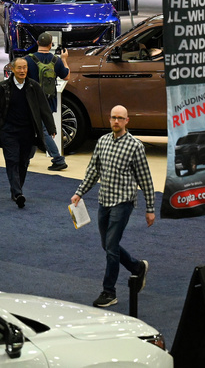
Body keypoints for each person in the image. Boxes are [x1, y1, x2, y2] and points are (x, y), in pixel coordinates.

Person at [71, 105, 153, 308]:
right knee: (108, 245)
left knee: (111, 248)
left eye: (120, 118)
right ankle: (137, 267)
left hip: (123, 202)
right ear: (109, 120)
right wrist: (80, 192)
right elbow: (93, 171)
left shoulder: (135, 146)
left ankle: (109, 292)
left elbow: (146, 179)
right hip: (104, 200)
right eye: (113, 118)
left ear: (127, 121)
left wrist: (150, 208)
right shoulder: (102, 142)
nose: (116, 121)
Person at [0, 58, 55, 208]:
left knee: (23, 162)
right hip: (9, 132)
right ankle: (18, 193)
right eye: (19, 68)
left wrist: (51, 128)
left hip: (28, 132)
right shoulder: (3, 87)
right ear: (12, 69)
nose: (22, 71)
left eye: (24, 68)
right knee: (12, 160)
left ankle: (16, 189)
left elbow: (44, 108)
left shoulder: (34, 86)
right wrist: (1, 125)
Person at [25, 32, 70, 171]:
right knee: (36, 129)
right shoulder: (55, 60)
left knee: (39, 129)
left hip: (32, 100)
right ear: (51, 44)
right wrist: (64, 60)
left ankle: (58, 159)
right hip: (49, 100)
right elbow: (66, 76)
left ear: (37, 43)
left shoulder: (28, 59)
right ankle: (27, 157)